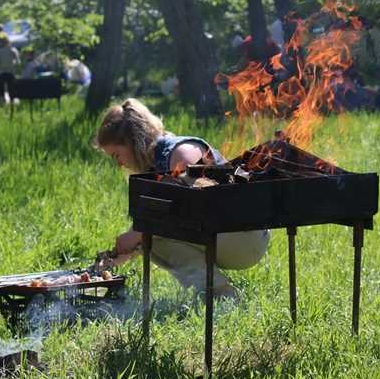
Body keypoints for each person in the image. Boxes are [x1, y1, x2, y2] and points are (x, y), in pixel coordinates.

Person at [95, 99, 270, 300]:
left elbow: (204, 204)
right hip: (228, 236)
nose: (118, 164)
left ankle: (222, 296)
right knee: (150, 236)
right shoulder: (155, 161)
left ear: (132, 142)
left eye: (117, 155)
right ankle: (217, 292)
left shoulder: (180, 153)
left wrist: (138, 233)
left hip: (244, 236)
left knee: (153, 234)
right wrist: (118, 256)